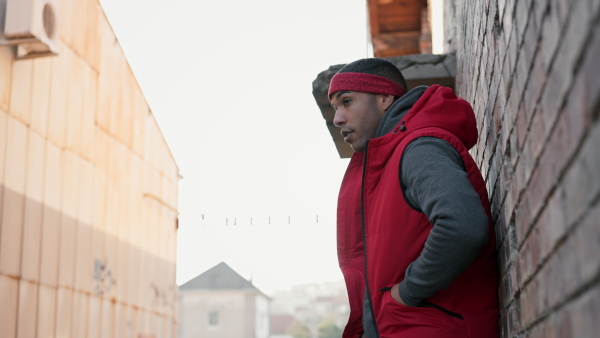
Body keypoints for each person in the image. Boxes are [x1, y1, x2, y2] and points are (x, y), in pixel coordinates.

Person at [330, 58, 499, 338]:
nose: (338, 118)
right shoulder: (388, 163)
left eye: (346, 102)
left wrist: (406, 294)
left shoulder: (418, 149)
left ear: (385, 98)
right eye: (336, 108)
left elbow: (462, 226)